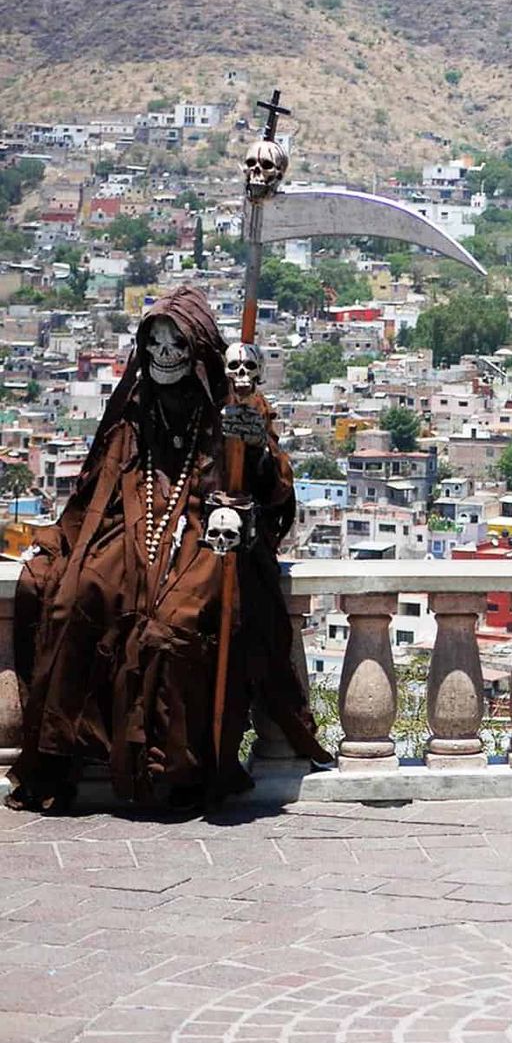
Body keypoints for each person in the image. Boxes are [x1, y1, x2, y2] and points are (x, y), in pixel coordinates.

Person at [6, 286, 331, 813]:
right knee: (73, 596)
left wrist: (251, 449)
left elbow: (272, 491)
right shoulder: (137, 405)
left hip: (208, 535)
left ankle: (174, 772)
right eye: (153, 342)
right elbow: (98, 482)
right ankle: (65, 754)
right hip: (134, 528)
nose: (163, 353)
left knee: (174, 626)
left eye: (174, 342)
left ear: (197, 349)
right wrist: (63, 542)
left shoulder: (237, 403)